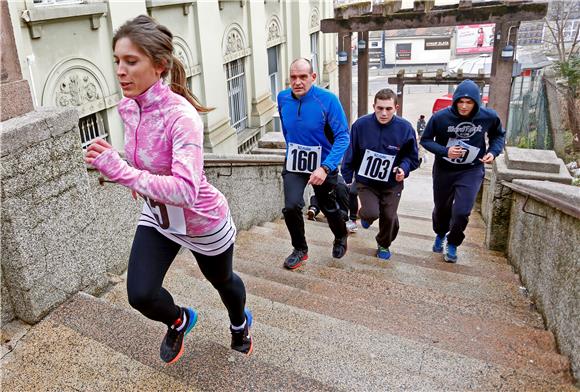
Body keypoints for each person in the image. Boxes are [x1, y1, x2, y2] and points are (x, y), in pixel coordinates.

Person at [84, 15, 252, 364]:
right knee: (140, 294)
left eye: (131, 61)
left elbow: (186, 190)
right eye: (117, 60)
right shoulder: (128, 107)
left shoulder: (182, 117)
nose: (120, 71)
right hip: (159, 216)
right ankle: (180, 320)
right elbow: (143, 162)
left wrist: (125, 174)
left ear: (159, 66)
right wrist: (129, 171)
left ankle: (239, 323)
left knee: (223, 282)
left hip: (203, 221)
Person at [420, 79, 505, 263]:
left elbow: (498, 134)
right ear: (455, 101)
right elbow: (425, 140)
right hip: (445, 169)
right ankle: (441, 233)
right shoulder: (440, 117)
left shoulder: (488, 116)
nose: (464, 106)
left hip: (471, 169)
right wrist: (445, 151)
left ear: (476, 102)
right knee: (442, 208)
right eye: (461, 102)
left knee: (462, 211)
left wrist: (493, 151)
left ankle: (453, 242)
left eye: (469, 102)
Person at [277, 58, 350, 270]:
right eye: (293, 77)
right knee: (291, 207)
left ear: (313, 77)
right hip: (295, 163)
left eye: (303, 77)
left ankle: (340, 235)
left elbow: (343, 137)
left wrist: (325, 167)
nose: (297, 82)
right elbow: (287, 129)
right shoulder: (282, 98)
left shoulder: (327, 100)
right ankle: (300, 249)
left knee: (328, 208)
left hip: (324, 165)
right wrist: (292, 150)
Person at [342, 89, 419, 260]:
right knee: (371, 213)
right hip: (366, 182)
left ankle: (383, 244)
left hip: (392, 182)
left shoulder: (405, 128)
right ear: (374, 106)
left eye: (388, 109)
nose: (383, 113)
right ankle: (369, 215)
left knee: (389, 218)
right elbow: (351, 153)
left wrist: (403, 169)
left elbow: (412, 157)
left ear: (396, 108)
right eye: (380, 108)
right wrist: (347, 178)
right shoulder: (360, 125)